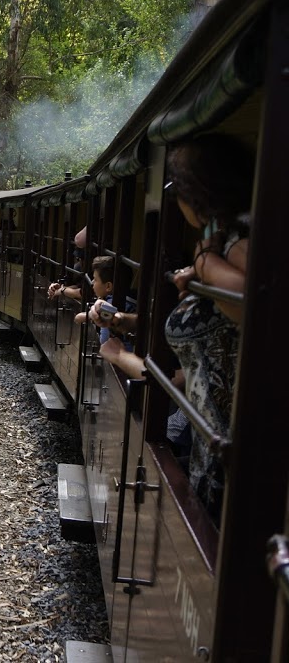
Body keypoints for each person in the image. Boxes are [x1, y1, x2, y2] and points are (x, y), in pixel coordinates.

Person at [99, 133, 252, 522]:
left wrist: (202, 264)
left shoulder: (238, 239)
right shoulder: (220, 240)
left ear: (194, 194)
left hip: (229, 437)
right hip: (210, 430)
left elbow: (251, 294)